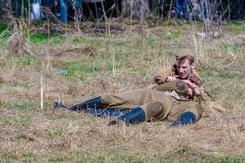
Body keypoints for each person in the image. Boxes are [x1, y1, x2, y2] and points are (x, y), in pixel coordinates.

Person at [54, 54, 204, 126]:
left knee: (124, 112)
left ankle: (115, 125)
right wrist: (169, 79)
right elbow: (159, 77)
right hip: (149, 93)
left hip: (166, 102)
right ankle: (69, 109)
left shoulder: (196, 81)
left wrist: (194, 90)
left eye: (185, 67)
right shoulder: (173, 70)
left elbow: (201, 102)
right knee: (110, 99)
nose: (181, 70)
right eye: (180, 67)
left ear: (192, 66)